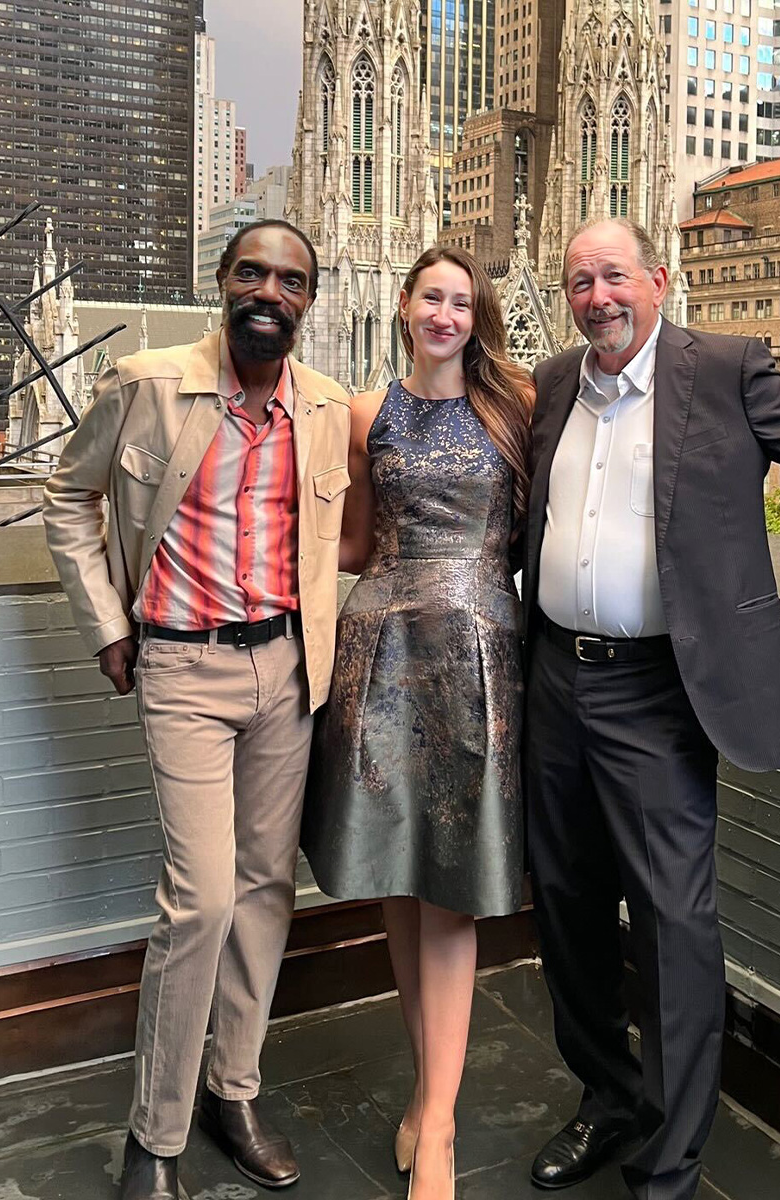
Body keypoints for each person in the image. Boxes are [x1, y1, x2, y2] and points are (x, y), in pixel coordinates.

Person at [523, 218, 780, 1200]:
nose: (596, 295)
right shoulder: (555, 382)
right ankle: (609, 1096)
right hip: (557, 682)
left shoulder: (725, 370)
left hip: (658, 693)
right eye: (578, 281)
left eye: (613, 276)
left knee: (674, 928)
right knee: (563, 909)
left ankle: (670, 1165)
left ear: (661, 279)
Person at [43, 220, 351, 1200]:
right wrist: (105, 623)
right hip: (182, 671)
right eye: (252, 272)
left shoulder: (327, 407)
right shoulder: (148, 384)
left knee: (267, 893)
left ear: (310, 297)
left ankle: (235, 1091)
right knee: (203, 901)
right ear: (222, 281)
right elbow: (65, 495)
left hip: (286, 674)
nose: (270, 290)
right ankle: (156, 1136)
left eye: (291, 279)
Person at [300, 246, 533, 1200]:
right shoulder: (365, 411)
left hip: (478, 652)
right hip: (381, 652)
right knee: (399, 881)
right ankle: (426, 1096)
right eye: (432, 298)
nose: (446, 315)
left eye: (463, 303)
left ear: (478, 318)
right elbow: (352, 543)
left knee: (451, 890)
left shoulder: (514, 405)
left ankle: (436, 1124)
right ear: (404, 307)